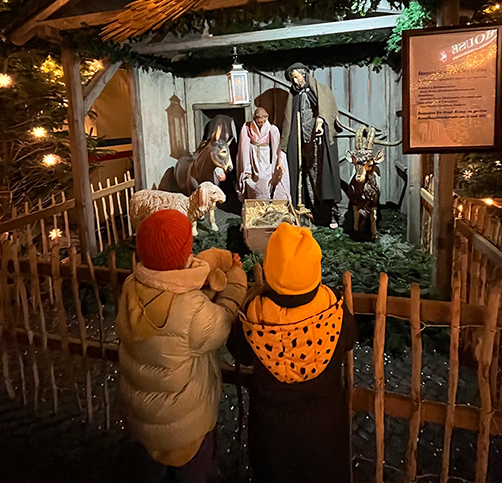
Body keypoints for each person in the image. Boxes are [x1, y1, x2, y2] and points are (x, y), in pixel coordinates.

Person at [116, 209, 247, 483]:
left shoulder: (132, 286)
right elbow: (223, 321)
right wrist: (235, 281)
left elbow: (171, 283)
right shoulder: (190, 309)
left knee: (152, 470)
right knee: (192, 474)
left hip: (146, 419)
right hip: (186, 429)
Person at [228, 223, 357, 483]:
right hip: (325, 434)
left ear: (270, 266)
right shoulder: (333, 310)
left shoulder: (254, 315)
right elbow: (350, 340)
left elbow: (239, 352)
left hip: (272, 435)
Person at [281, 63, 343, 227]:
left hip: (318, 144)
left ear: (304, 74)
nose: (295, 81)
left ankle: (329, 214)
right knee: (307, 177)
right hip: (303, 144)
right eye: (293, 78)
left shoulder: (319, 90)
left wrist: (321, 122)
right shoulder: (294, 96)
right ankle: (312, 211)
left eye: (296, 76)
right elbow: (289, 121)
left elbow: (327, 109)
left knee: (322, 177)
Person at [237, 106, 291, 201]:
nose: (261, 124)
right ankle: (255, 201)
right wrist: (247, 168)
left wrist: (278, 162)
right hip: (253, 156)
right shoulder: (247, 128)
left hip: (266, 157)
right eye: (259, 122)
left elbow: (276, 148)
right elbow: (243, 148)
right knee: (254, 180)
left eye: (263, 122)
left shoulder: (272, 129)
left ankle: (267, 199)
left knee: (265, 178)